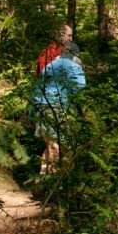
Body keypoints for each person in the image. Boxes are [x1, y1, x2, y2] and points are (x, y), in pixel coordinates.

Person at [31, 45, 86, 173]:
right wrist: (81, 114)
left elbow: (37, 89)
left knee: (50, 145)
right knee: (58, 147)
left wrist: (32, 114)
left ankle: (42, 179)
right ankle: (53, 180)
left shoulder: (50, 65)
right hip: (62, 110)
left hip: (43, 108)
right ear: (75, 55)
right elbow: (79, 93)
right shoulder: (75, 67)